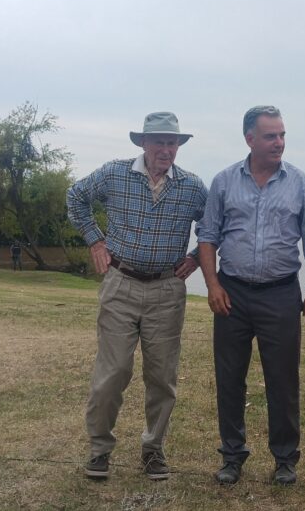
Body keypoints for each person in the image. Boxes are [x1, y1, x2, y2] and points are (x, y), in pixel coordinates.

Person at [66, 111, 207, 481]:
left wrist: (195, 257)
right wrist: (95, 240)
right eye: (159, 142)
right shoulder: (115, 173)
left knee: (162, 376)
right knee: (112, 372)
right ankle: (99, 449)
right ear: (144, 143)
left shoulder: (192, 186)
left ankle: (153, 450)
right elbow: (76, 196)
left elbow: (215, 225)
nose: (166, 149)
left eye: (172, 143)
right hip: (120, 284)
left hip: (167, 290)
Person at [197, 105, 305, 486]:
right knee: (229, 378)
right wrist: (213, 286)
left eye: (282, 135)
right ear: (250, 139)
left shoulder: (300, 183)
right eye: (271, 136)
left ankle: (285, 459)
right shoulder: (224, 182)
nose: (279, 143)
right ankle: (232, 455)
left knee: (283, 381)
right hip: (232, 294)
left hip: (280, 295)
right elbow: (208, 236)